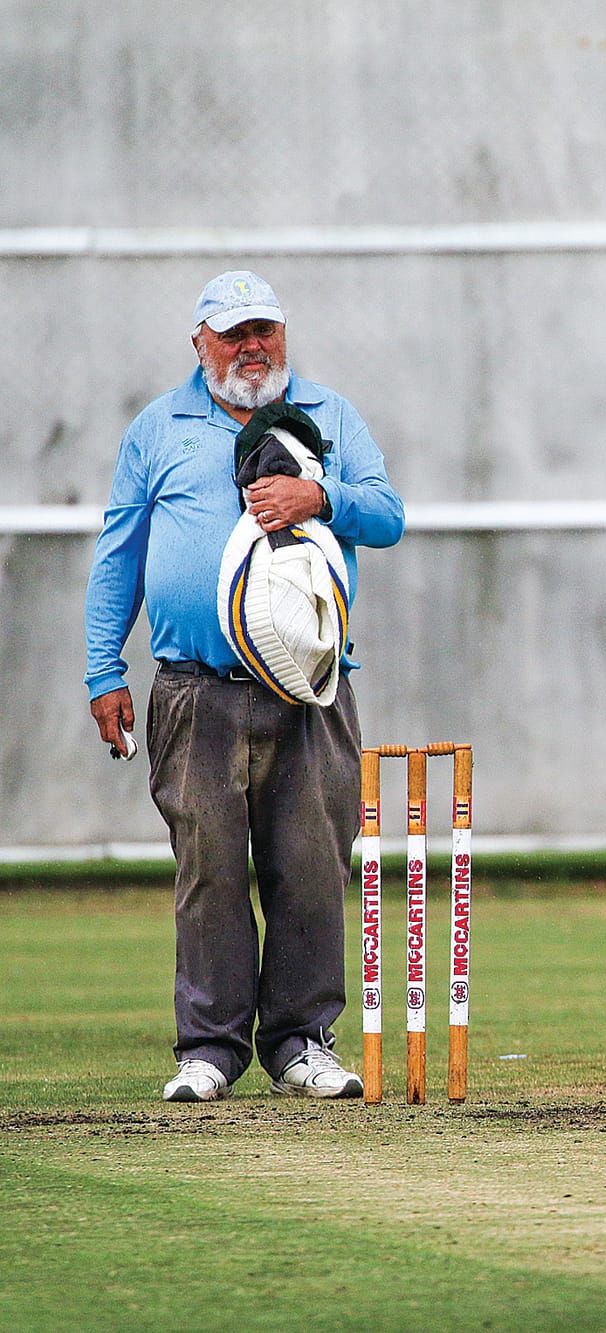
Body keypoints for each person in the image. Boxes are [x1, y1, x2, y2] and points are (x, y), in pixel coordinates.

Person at [85, 270, 405, 1102]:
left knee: (309, 863)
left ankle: (302, 1042)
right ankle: (210, 1048)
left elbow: (389, 514)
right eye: (233, 333)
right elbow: (119, 554)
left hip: (309, 684)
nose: (251, 346)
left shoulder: (330, 416)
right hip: (194, 685)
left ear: (285, 333)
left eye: (265, 329)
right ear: (201, 343)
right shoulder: (158, 427)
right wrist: (103, 667)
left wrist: (320, 494)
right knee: (209, 867)